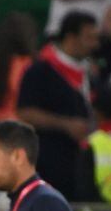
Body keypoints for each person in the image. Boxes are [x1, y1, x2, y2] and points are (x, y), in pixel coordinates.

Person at [16, 11, 100, 200]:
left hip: (82, 168)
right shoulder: (40, 70)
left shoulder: (91, 71)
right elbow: (24, 112)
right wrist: (66, 125)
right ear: (71, 37)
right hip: (50, 165)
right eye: (89, 38)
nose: (96, 45)